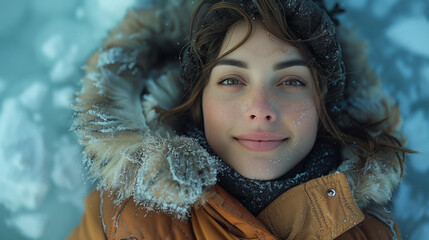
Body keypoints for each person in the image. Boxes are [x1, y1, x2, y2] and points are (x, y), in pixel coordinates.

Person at [68, 0, 413, 239]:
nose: (260, 108)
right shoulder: (119, 219)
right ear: (198, 101)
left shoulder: (373, 233)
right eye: (232, 80)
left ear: (323, 106)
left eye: (292, 81)